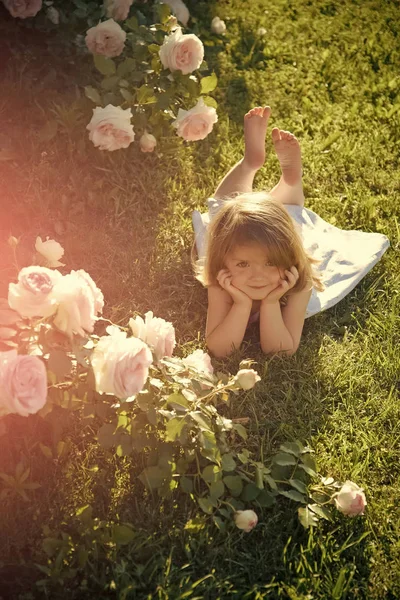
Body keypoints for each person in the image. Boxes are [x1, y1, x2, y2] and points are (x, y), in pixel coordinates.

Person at [192, 107, 390, 358]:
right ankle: (251, 163)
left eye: (271, 263)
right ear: (225, 262)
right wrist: (241, 304)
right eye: (243, 264)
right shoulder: (223, 279)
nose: (257, 275)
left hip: (280, 230)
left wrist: (272, 302)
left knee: (292, 212)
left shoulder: (298, 281)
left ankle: (289, 181)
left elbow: (281, 351)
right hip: (243, 233)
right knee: (224, 206)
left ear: (287, 259)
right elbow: (219, 350)